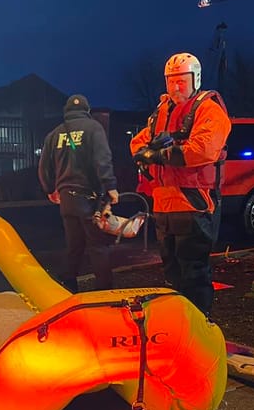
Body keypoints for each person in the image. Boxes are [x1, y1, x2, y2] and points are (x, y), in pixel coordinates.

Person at [129, 53, 231, 316]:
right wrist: (149, 151)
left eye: (181, 81)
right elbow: (137, 143)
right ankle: (178, 322)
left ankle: (199, 324)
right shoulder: (161, 112)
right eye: (172, 81)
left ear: (195, 79)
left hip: (193, 202)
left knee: (194, 270)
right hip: (164, 203)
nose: (176, 87)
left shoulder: (208, 109)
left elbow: (204, 149)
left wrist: (160, 154)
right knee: (171, 270)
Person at [38, 94, 119, 292]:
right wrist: (110, 185)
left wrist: (50, 189)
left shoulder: (54, 134)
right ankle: (103, 291)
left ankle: (68, 286)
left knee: (74, 245)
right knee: (98, 246)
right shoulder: (94, 129)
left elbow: (43, 167)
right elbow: (102, 159)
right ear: (87, 110)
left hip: (66, 198)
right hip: (89, 198)